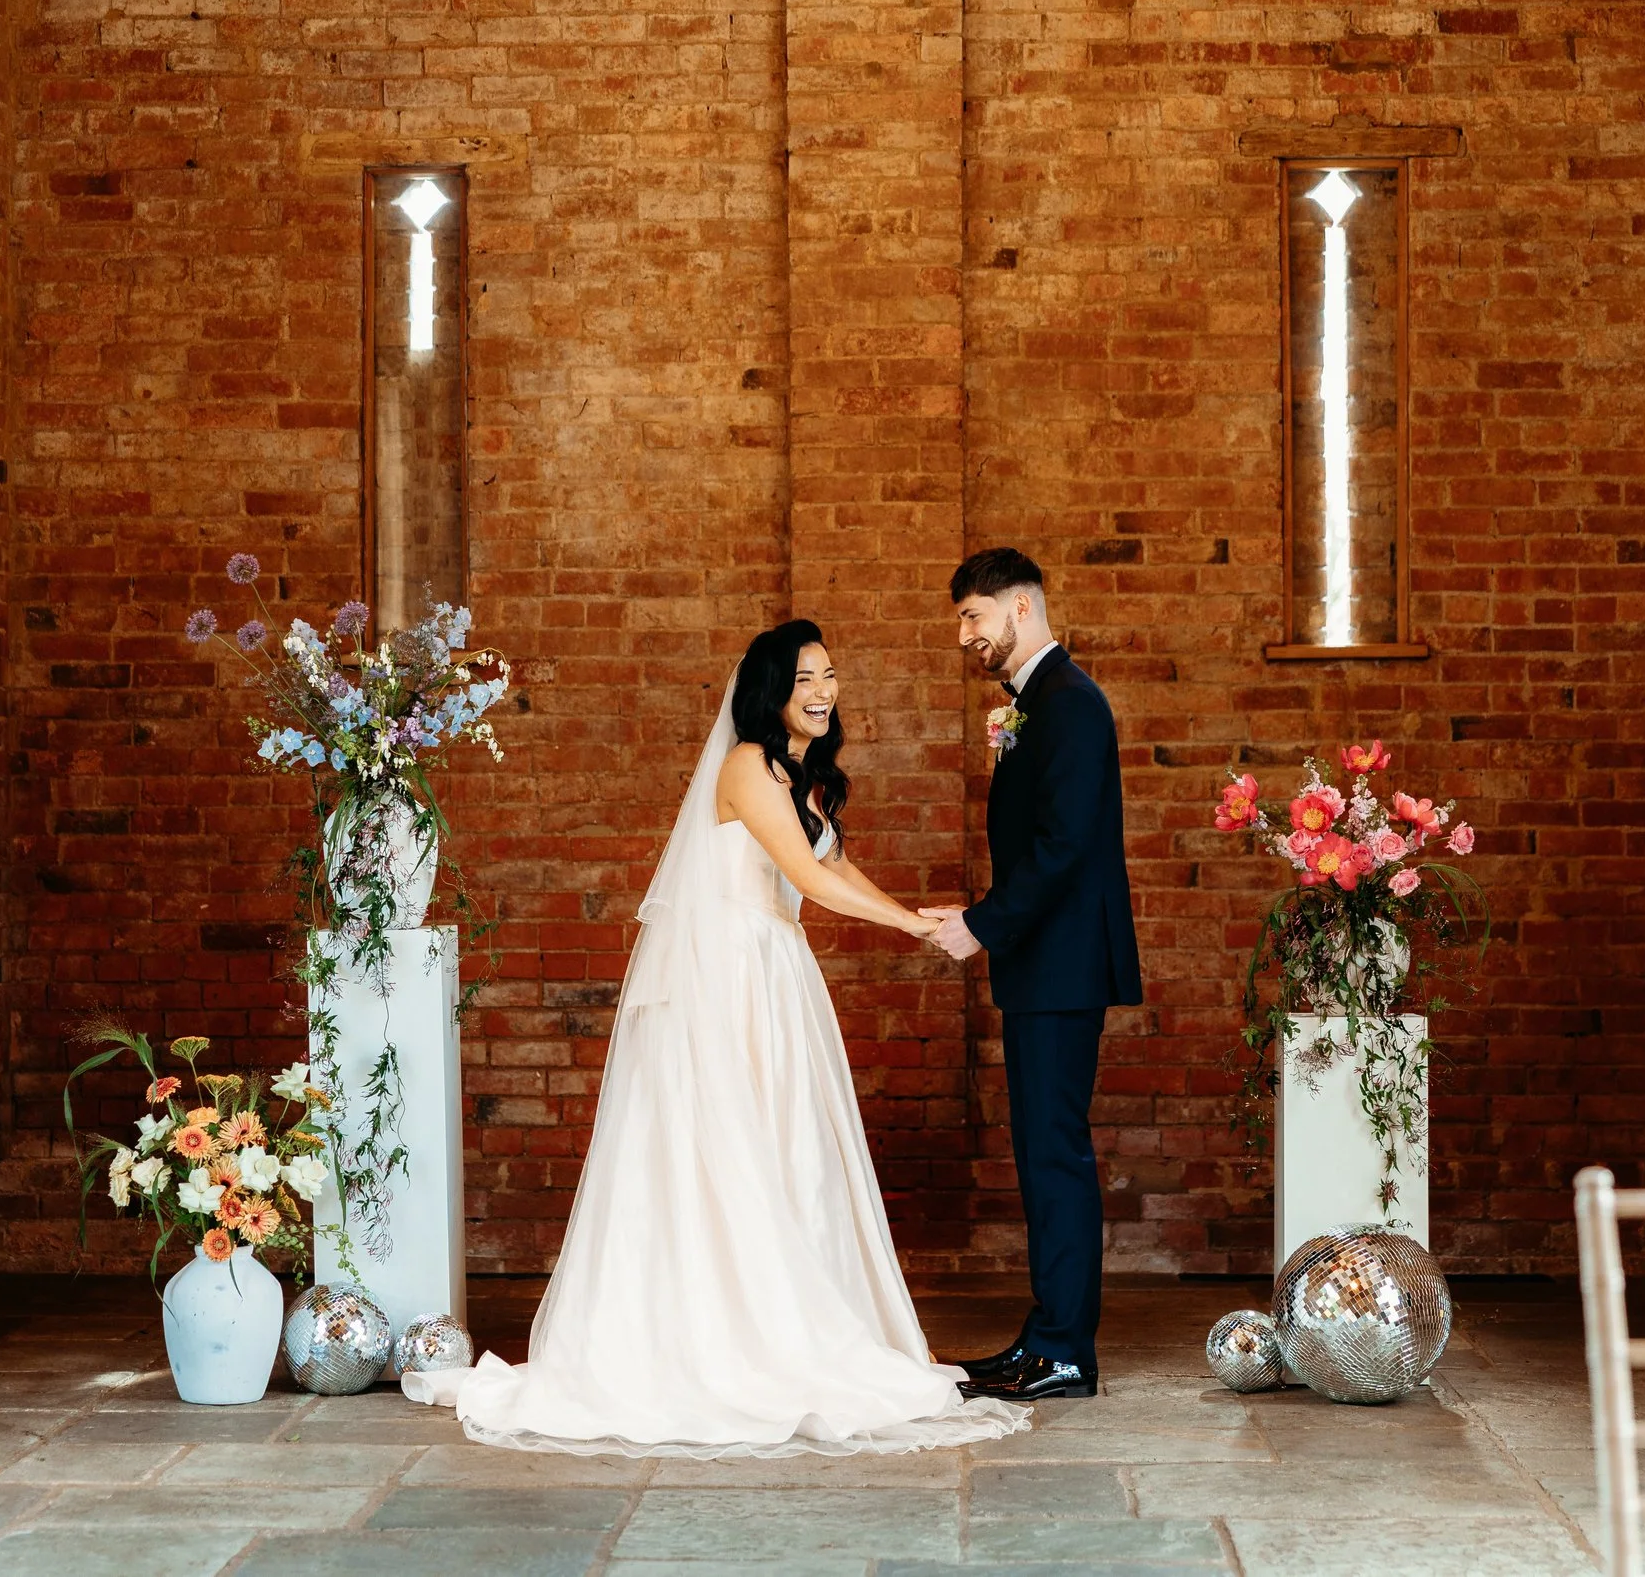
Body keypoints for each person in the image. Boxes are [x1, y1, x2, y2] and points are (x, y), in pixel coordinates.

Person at [417, 620, 1029, 1456]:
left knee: (786, 1150)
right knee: (727, 1147)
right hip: (730, 974)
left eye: (832, 672)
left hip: (777, 973)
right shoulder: (745, 765)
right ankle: (724, 1336)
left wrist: (912, 913)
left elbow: (834, 862)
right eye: (806, 675)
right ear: (772, 687)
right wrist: (909, 928)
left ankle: (787, 1317)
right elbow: (808, 876)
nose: (824, 688)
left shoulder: (797, 773)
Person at [923, 548, 1143, 1401]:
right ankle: (1043, 1337)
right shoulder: (1035, 704)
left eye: (974, 616)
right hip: (1040, 964)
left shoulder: (1072, 704)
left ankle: (1064, 1350)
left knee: (1055, 1155)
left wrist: (981, 924)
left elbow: (1064, 847)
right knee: (1042, 1154)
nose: (965, 635)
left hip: (1060, 965)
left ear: (1022, 607)